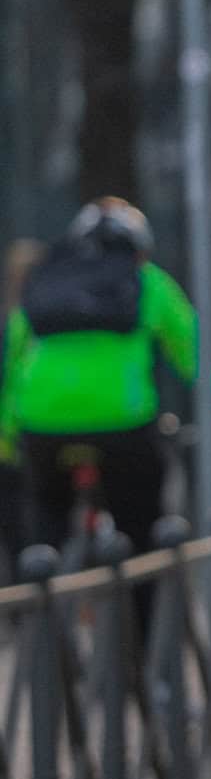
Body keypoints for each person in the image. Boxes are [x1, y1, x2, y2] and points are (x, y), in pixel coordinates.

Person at [0, 198, 211, 558]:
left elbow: (12, 360)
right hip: (123, 423)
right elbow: (194, 353)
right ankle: (145, 608)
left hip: (41, 425)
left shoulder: (45, 278)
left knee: (46, 516)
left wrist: (7, 438)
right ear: (140, 249)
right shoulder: (147, 281)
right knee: (141, 527)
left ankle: (44, 596)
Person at [0, 239, 44, 576]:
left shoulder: (17, 322)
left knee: (20, 540)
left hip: (14, 444)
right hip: (21, 443)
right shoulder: (28, 324)